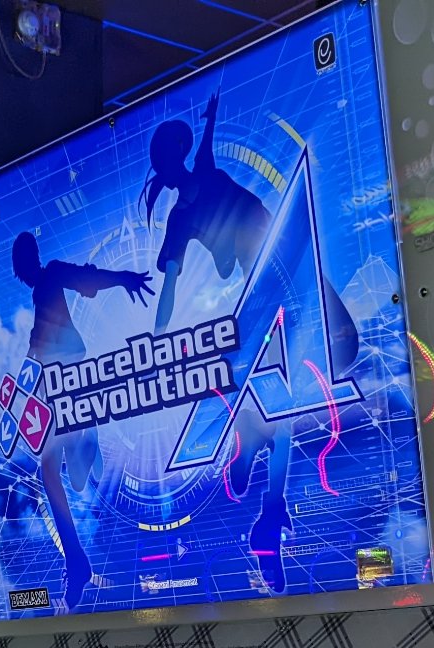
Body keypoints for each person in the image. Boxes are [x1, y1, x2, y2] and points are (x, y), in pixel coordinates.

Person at [143, 92, 358, 594]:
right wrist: (156, 342)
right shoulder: (179, 218)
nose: (179, 161)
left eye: (178, 153)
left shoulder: (202, 169)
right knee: (286, 400)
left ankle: (250, 449)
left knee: (339, 348)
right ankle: (267, 501)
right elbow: (169, 285)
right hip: (268, 288)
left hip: (287, 263)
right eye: (173, 156)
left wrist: (212, 115)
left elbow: (206, 145)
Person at [9, 231, 152, 610]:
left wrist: (124, 278)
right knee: (54, 473)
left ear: (30, 260)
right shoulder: (41, 293)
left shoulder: (52, 274)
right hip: (55, 387)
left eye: (23, 264)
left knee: (66, 472)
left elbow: (86, 278)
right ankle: (77, 562)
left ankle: (90, 446)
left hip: (69, 382)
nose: (23, 272)